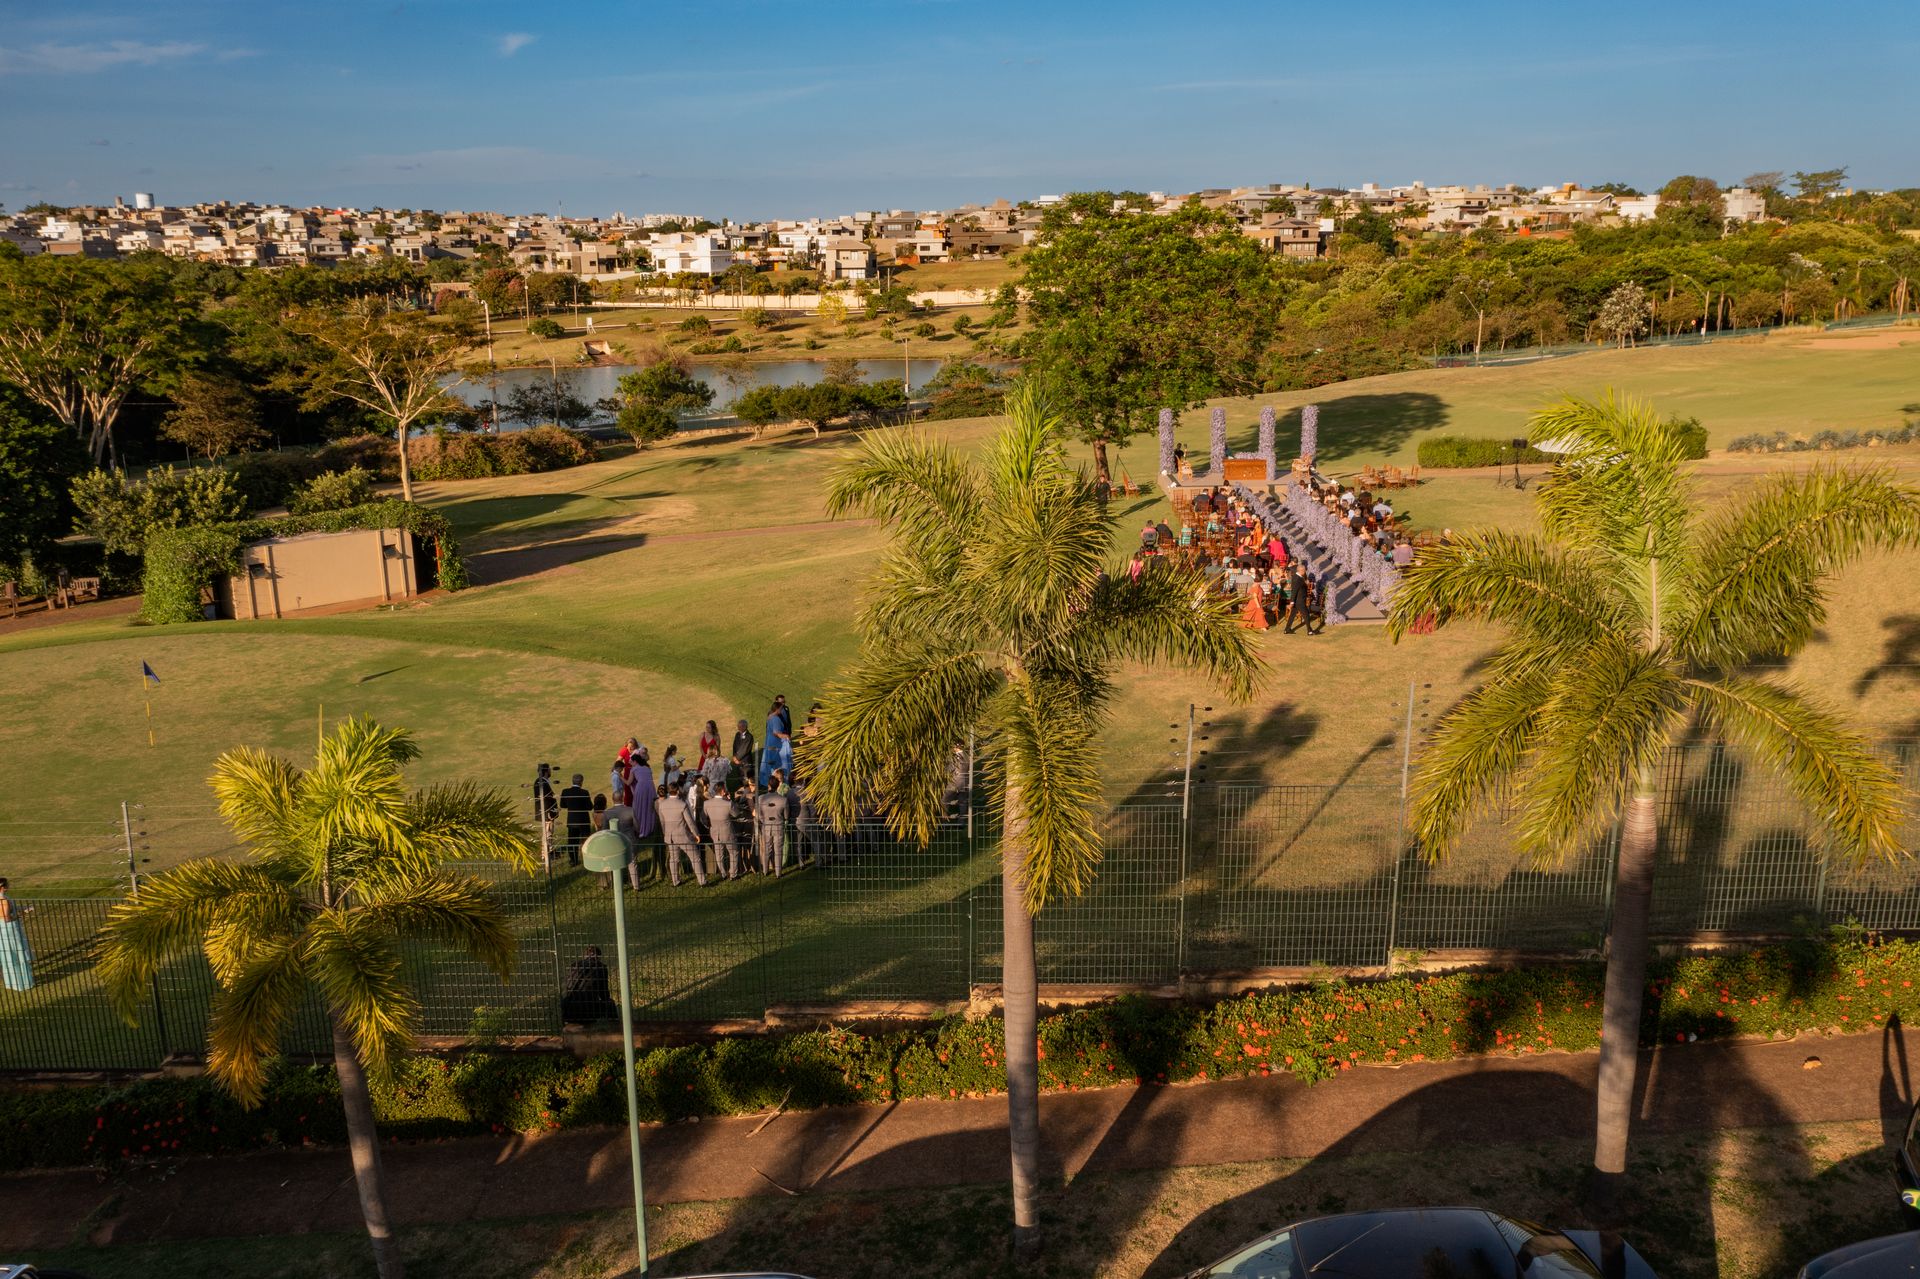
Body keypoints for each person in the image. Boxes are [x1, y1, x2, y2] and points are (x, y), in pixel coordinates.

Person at [657, 781, 707, 887]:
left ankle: (675, 881)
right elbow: (689, 822)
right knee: (695, 858)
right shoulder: (682, 804)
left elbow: (662, 822)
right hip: (683, 836)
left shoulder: (662, 805)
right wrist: (696, 833)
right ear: (678, 791)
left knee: (674, 859)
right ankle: (702, 881)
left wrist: (665, 834)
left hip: (670, 836)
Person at [625, 750, 659, 888]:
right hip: (650, 788)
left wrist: (619, 776)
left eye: (631, 761)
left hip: (641, 789)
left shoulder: (634, 769)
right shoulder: (646, 767)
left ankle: (641, 829)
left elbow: (628, 783)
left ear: (635, 761)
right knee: (649, 808)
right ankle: (649, 827)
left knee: (639, 808)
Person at [560, 945, 616, 1026]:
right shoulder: (601, 968)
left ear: (585, 956)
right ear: (599, 957)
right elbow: (604, 994)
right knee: (610, 1003)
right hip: (587, 1011)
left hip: (568, 1011)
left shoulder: (574, 965)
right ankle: (615, 1029)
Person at [754, 771, 790, 875]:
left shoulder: (761, 799)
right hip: (779, 826)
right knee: (778, 850)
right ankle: (778, 872)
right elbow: (786, 816)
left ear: (768, 785)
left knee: (767, 849)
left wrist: (763, 820)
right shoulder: (783, 800)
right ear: (778, 785)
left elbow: (758, 814)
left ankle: (765, 871)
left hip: (766, 826)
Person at [0, 878, 32, 992]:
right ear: (3, 887)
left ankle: (13, 982)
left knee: (10, 955)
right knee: (17, 954)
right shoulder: (3, 900)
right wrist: (22, 914)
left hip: (3, 929)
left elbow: (11, 910)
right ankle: (22, 982)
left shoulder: (5, 898)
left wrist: (23, 908)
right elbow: (7, 918)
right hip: (9, 929)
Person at [706, 782, 741, 879]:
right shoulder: (728, 803)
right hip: (728, 832)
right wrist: (730, 800)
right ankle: (733, 874)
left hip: (715, 832)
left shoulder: (707, 803)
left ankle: (723, 873)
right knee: (733, 852)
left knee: (719, 854)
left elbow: (703, 817)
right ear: (722, 791)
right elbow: (736, 814)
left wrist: (709, 825)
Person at [558, 774, 593, 865]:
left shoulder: (565, 792)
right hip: (583, 820)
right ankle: (588, 859)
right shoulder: (584, 792)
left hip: (572, 820)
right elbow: (589, 807)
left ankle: (573, 860)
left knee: (572, 841)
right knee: (586, 841)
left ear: (572, 781)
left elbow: (562, 805)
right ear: (581, 782)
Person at [759, 699, 792, 788]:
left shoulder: (770, 717)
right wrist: (786, 736)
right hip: (776, 743)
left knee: (770, 761)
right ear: (777, 709)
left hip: (770, 742)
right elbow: (776, 733)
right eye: (781, 708)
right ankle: (779, 781)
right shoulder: (776, 719)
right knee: (777, 762)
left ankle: (769, 781)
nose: (782, 710)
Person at [532, 763, 558, 848]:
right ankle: (547, 853)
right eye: (549, 770)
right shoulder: (541, 782)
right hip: (547, 813)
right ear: (546, 771)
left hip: (547, 812)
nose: (551, 771)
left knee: (549, 832)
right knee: (548, 832)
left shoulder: (541, 781)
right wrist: (549, 813)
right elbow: (545, 799)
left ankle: (549, 850)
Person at [730, 718, 756, 784]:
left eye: (739, 726)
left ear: (745, 726)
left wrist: (736, 758)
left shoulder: (749, 737)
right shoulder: (737, 734)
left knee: (747, 779)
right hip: (738, 761)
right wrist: (734, 756)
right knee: (740, 779)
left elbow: (745, 749)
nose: (738, 728)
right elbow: (734, 746)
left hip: (745, 762)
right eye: (738, 726)